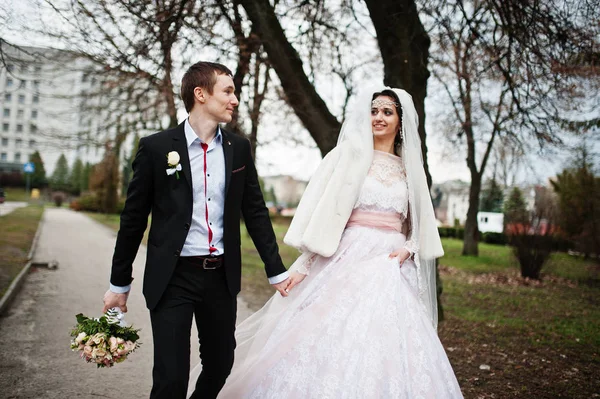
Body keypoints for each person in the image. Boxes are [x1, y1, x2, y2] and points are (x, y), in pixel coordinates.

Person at [191, 87, 463, 398]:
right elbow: (325, 216)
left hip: (391, 264)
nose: (378, 117)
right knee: (326, 332)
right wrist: (303, 265)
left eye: (387, 112)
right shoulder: (347, 158)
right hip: (348, 255)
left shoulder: (409, 171)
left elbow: (420, 225)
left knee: (386, 339)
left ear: (401, 121)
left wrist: (409, 249)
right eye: (374, 110)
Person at [102, 61, 302, 399]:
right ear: (201, 94)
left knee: (221, 366)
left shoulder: (238, 148)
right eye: (228, 91)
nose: (235, 99)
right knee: (171, 379)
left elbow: (254, 211)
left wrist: (276, 271)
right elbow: (133, 219)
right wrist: (118, 285)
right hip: (173, 277)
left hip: (220, 277)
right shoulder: (156, 148)